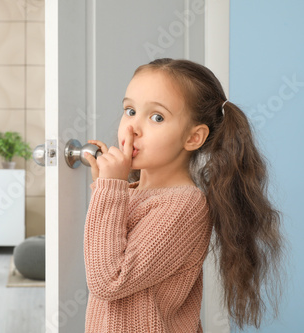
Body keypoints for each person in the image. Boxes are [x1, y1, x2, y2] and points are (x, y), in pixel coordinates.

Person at [83, 58, 284, 332]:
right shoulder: (129, 192)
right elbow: (109, 247)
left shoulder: (184, 206)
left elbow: (108, 280)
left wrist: (109, 189)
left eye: (157, 117)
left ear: (193, 138)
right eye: (129, 110)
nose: (132, 128)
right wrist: (107, 186)